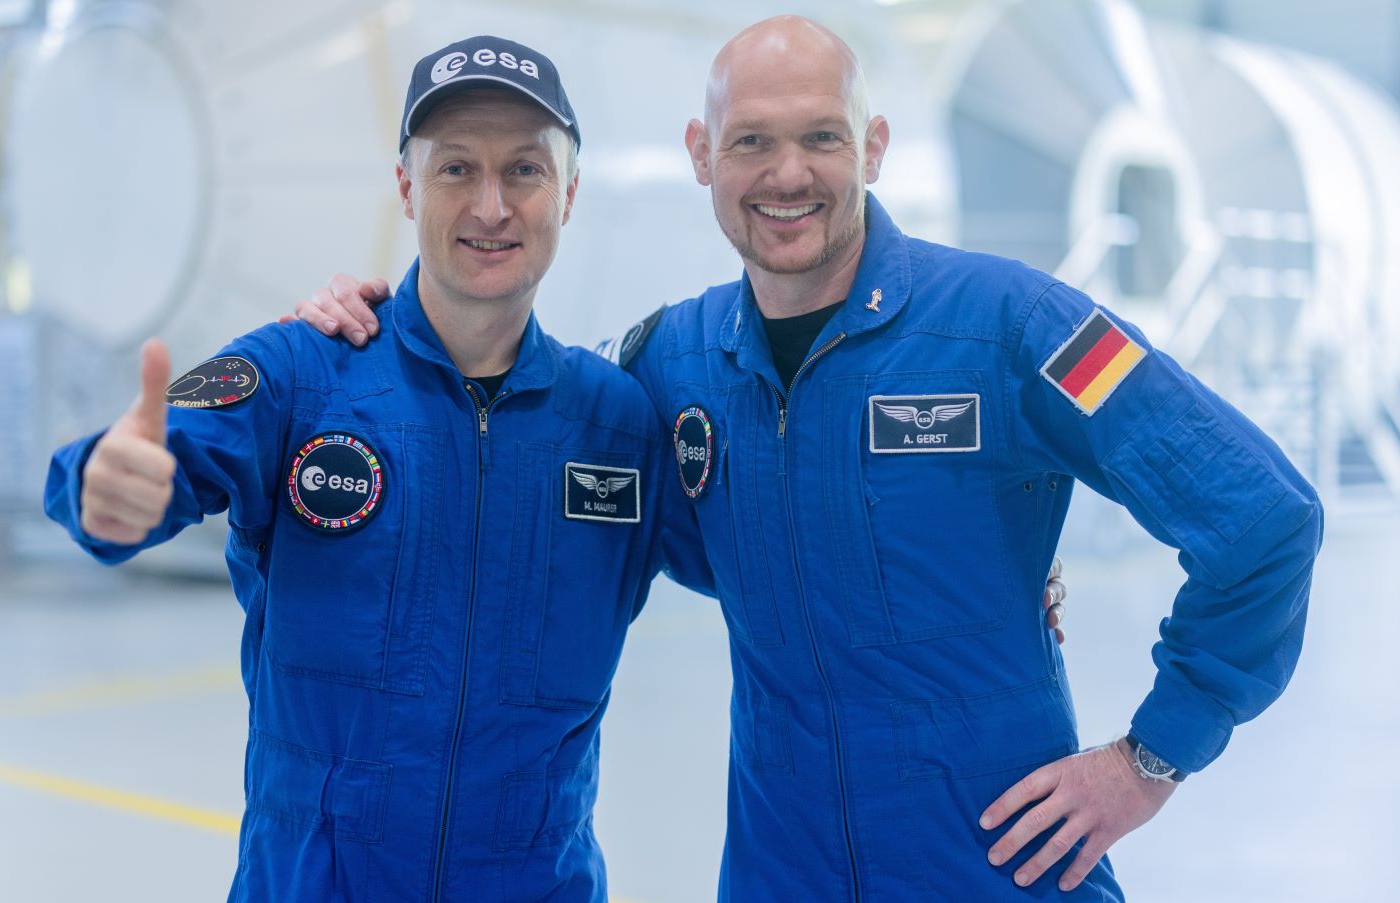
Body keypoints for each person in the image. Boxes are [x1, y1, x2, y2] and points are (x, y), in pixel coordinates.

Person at [300, 17, 1314, 903]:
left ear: (871, 145)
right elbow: (534, 436)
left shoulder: (1016, 325)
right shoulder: (670, 362)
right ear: (702, 155)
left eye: (819, 138)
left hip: (999, 871)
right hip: (781, 874)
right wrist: (368, 327)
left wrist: (1149, 758)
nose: (787, 175)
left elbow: (1261, 515)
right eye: (751, 142)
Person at [44, 36, 720, 902]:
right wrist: (100, 485)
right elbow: (141, 462)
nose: (491, 205)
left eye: (524, 170)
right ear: (405, 187)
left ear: (570, 193)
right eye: (453, 170)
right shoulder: (301, 374)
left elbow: (783, 590)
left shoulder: (618, 425)